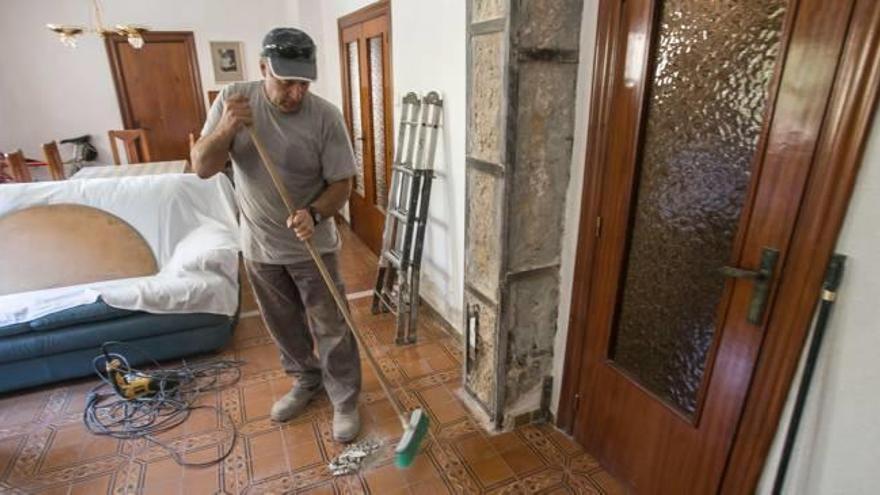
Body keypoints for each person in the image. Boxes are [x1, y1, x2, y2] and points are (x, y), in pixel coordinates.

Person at [191, 27, 361, 442]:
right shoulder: (234, 100)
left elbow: (343, 182)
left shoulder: (325, 116)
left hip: (312, 244)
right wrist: (228, 127)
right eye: (287, 82)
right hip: (260, 246)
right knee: (284, 325)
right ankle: (306, 381)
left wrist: (315, 214)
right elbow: (201, 166)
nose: (296, 93)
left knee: (332, 328)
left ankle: (345, 400)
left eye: (304, 83)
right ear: (264, 68)